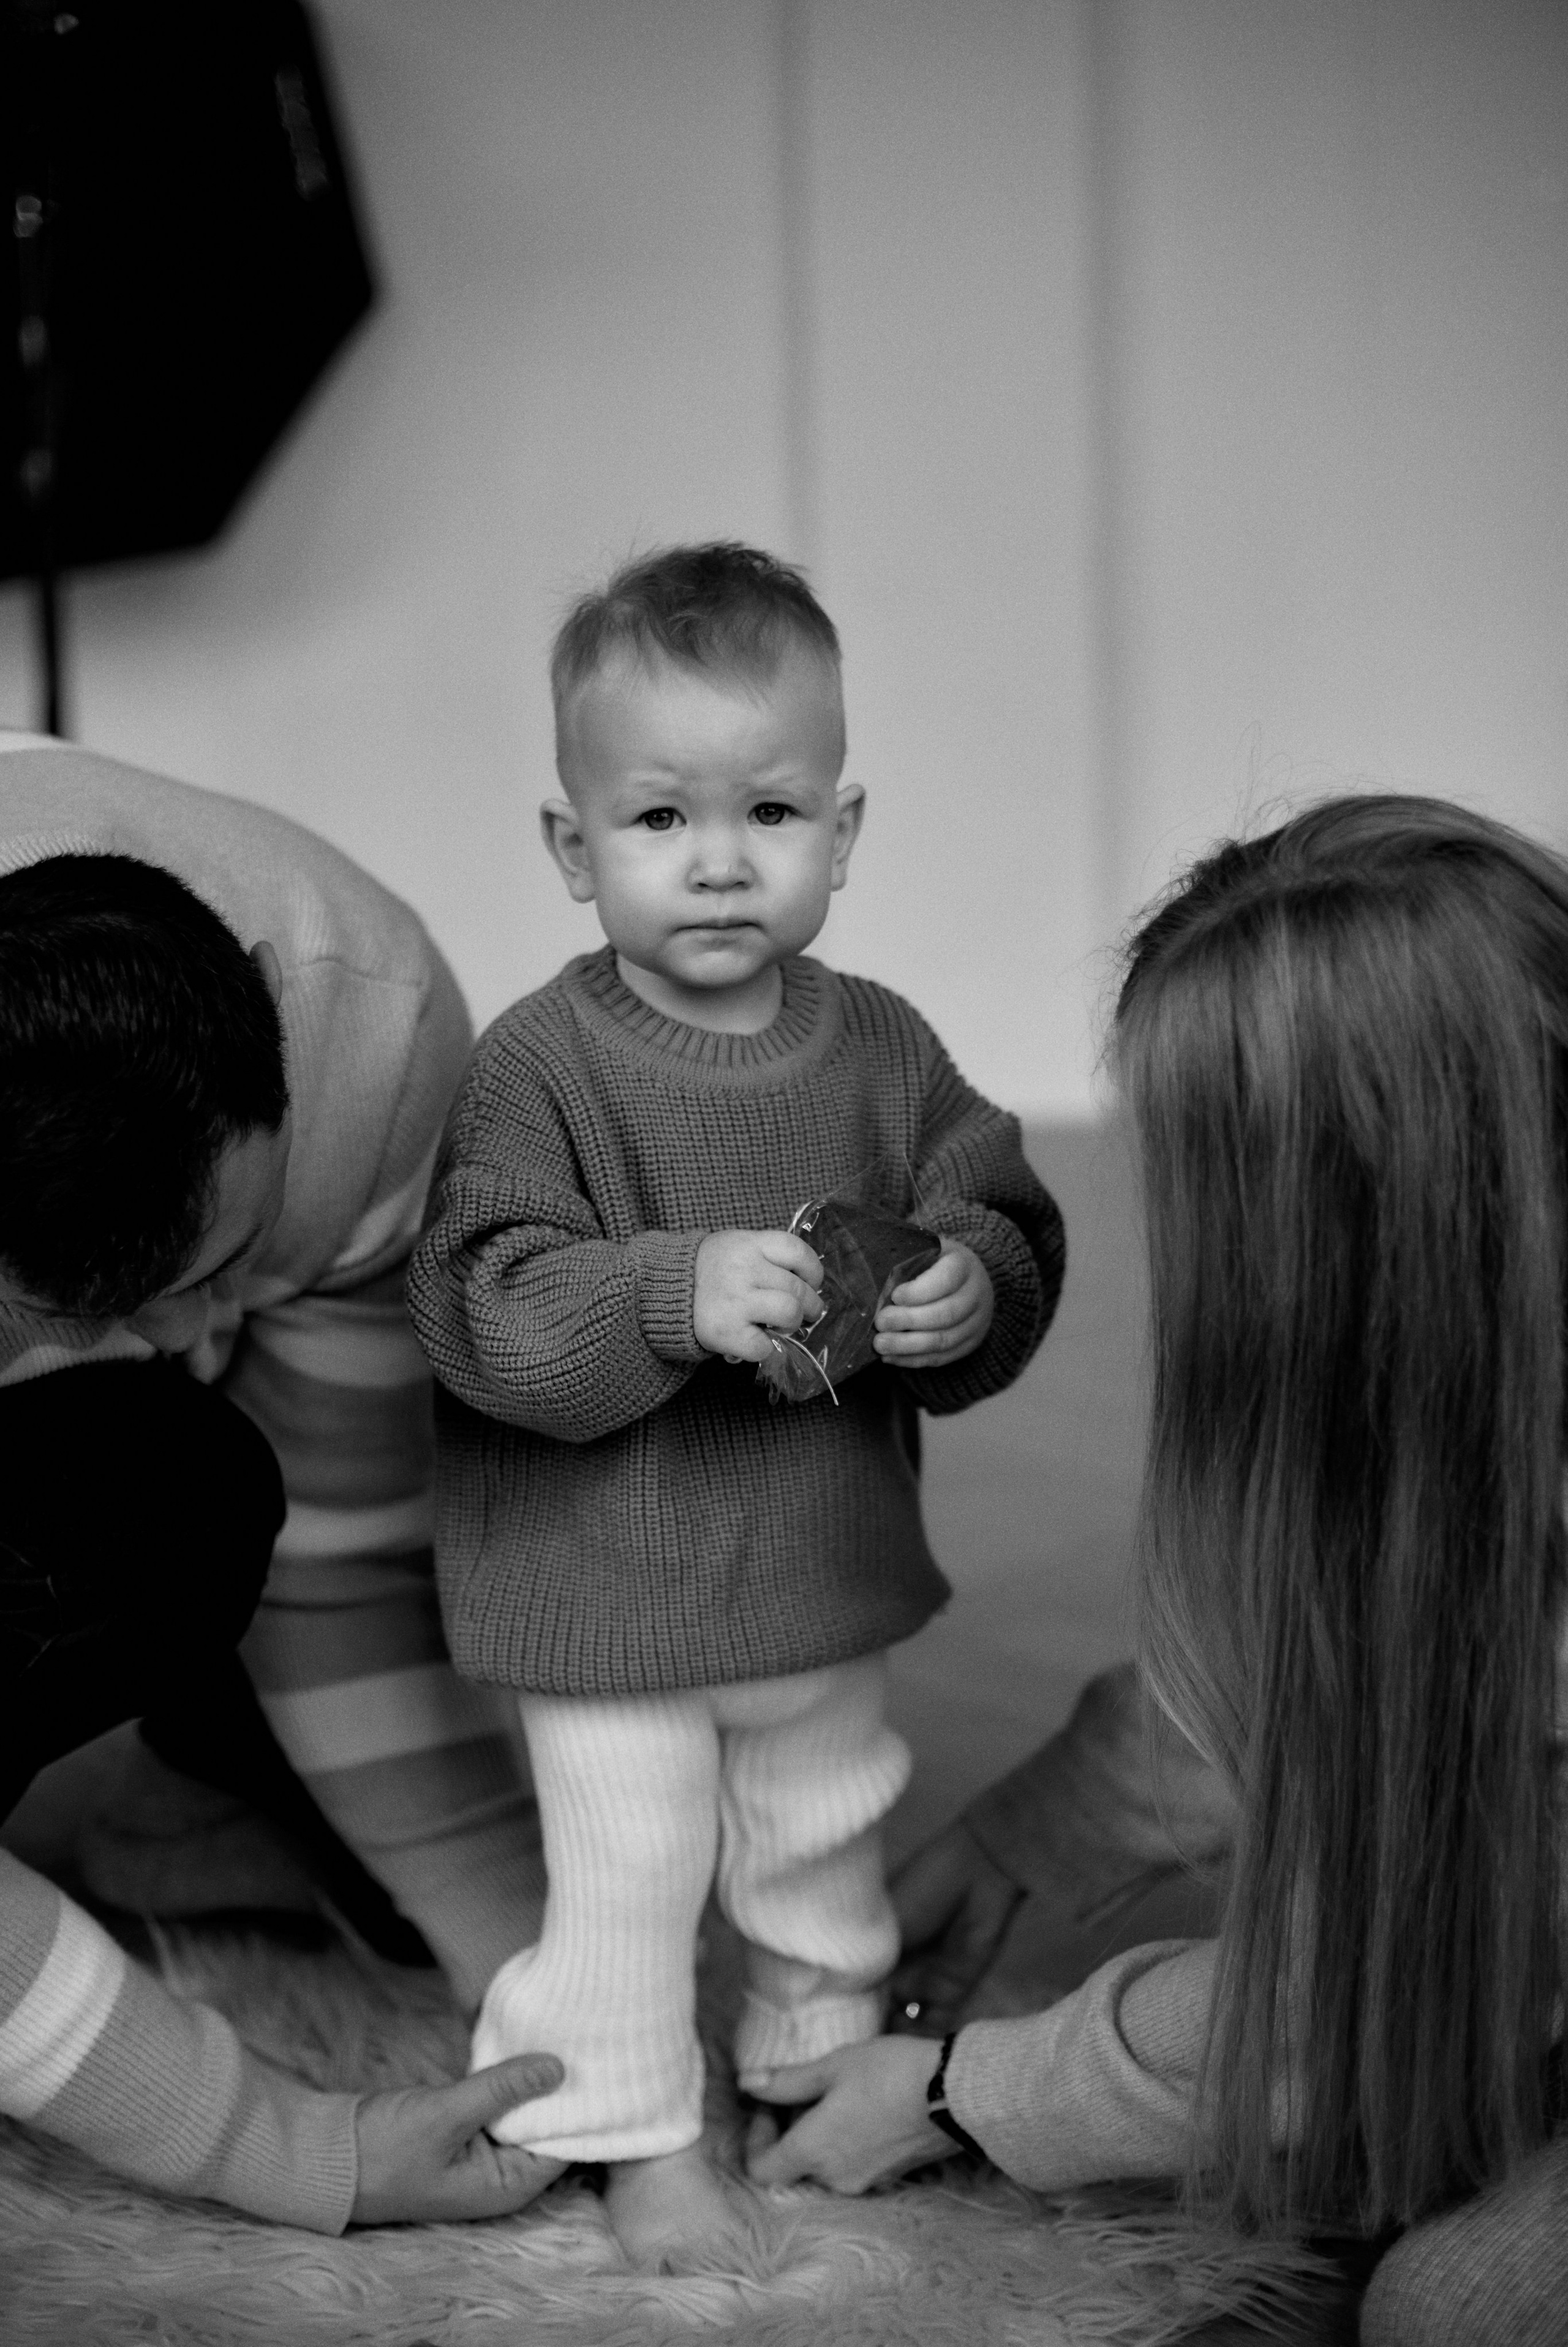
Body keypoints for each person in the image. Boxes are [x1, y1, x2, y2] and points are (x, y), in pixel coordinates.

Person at [744, 794, 1568, 2347]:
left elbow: (1355, 2017)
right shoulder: (1480, 1413)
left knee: (1451, 2305)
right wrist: (1021, 1833)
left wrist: (958, 2090)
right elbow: (1369, 1667)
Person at [406, 542, 1065, 2264]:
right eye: (658, 820)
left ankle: (812, 2055)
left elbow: (1004, 1210)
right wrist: (664, 1291)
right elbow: (481, 1309)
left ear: (844, 836)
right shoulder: (538, 1069)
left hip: (817, 1565)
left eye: (771, 814)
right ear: (571, 847)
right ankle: (631, 2126)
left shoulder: (889, 1049)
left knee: (821, 1835)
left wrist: (969, 1281)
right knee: (629, 1868)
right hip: (601, 1590)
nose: (718, 862)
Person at [0, 738, 563, 2231]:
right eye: (130, 1305)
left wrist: (542, 1978)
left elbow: (345, 1551)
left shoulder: (362, 1032)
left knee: (184, 1487)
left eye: (227, 1269)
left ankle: (193, 1784)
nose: (198, 1340)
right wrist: (305, 2150)